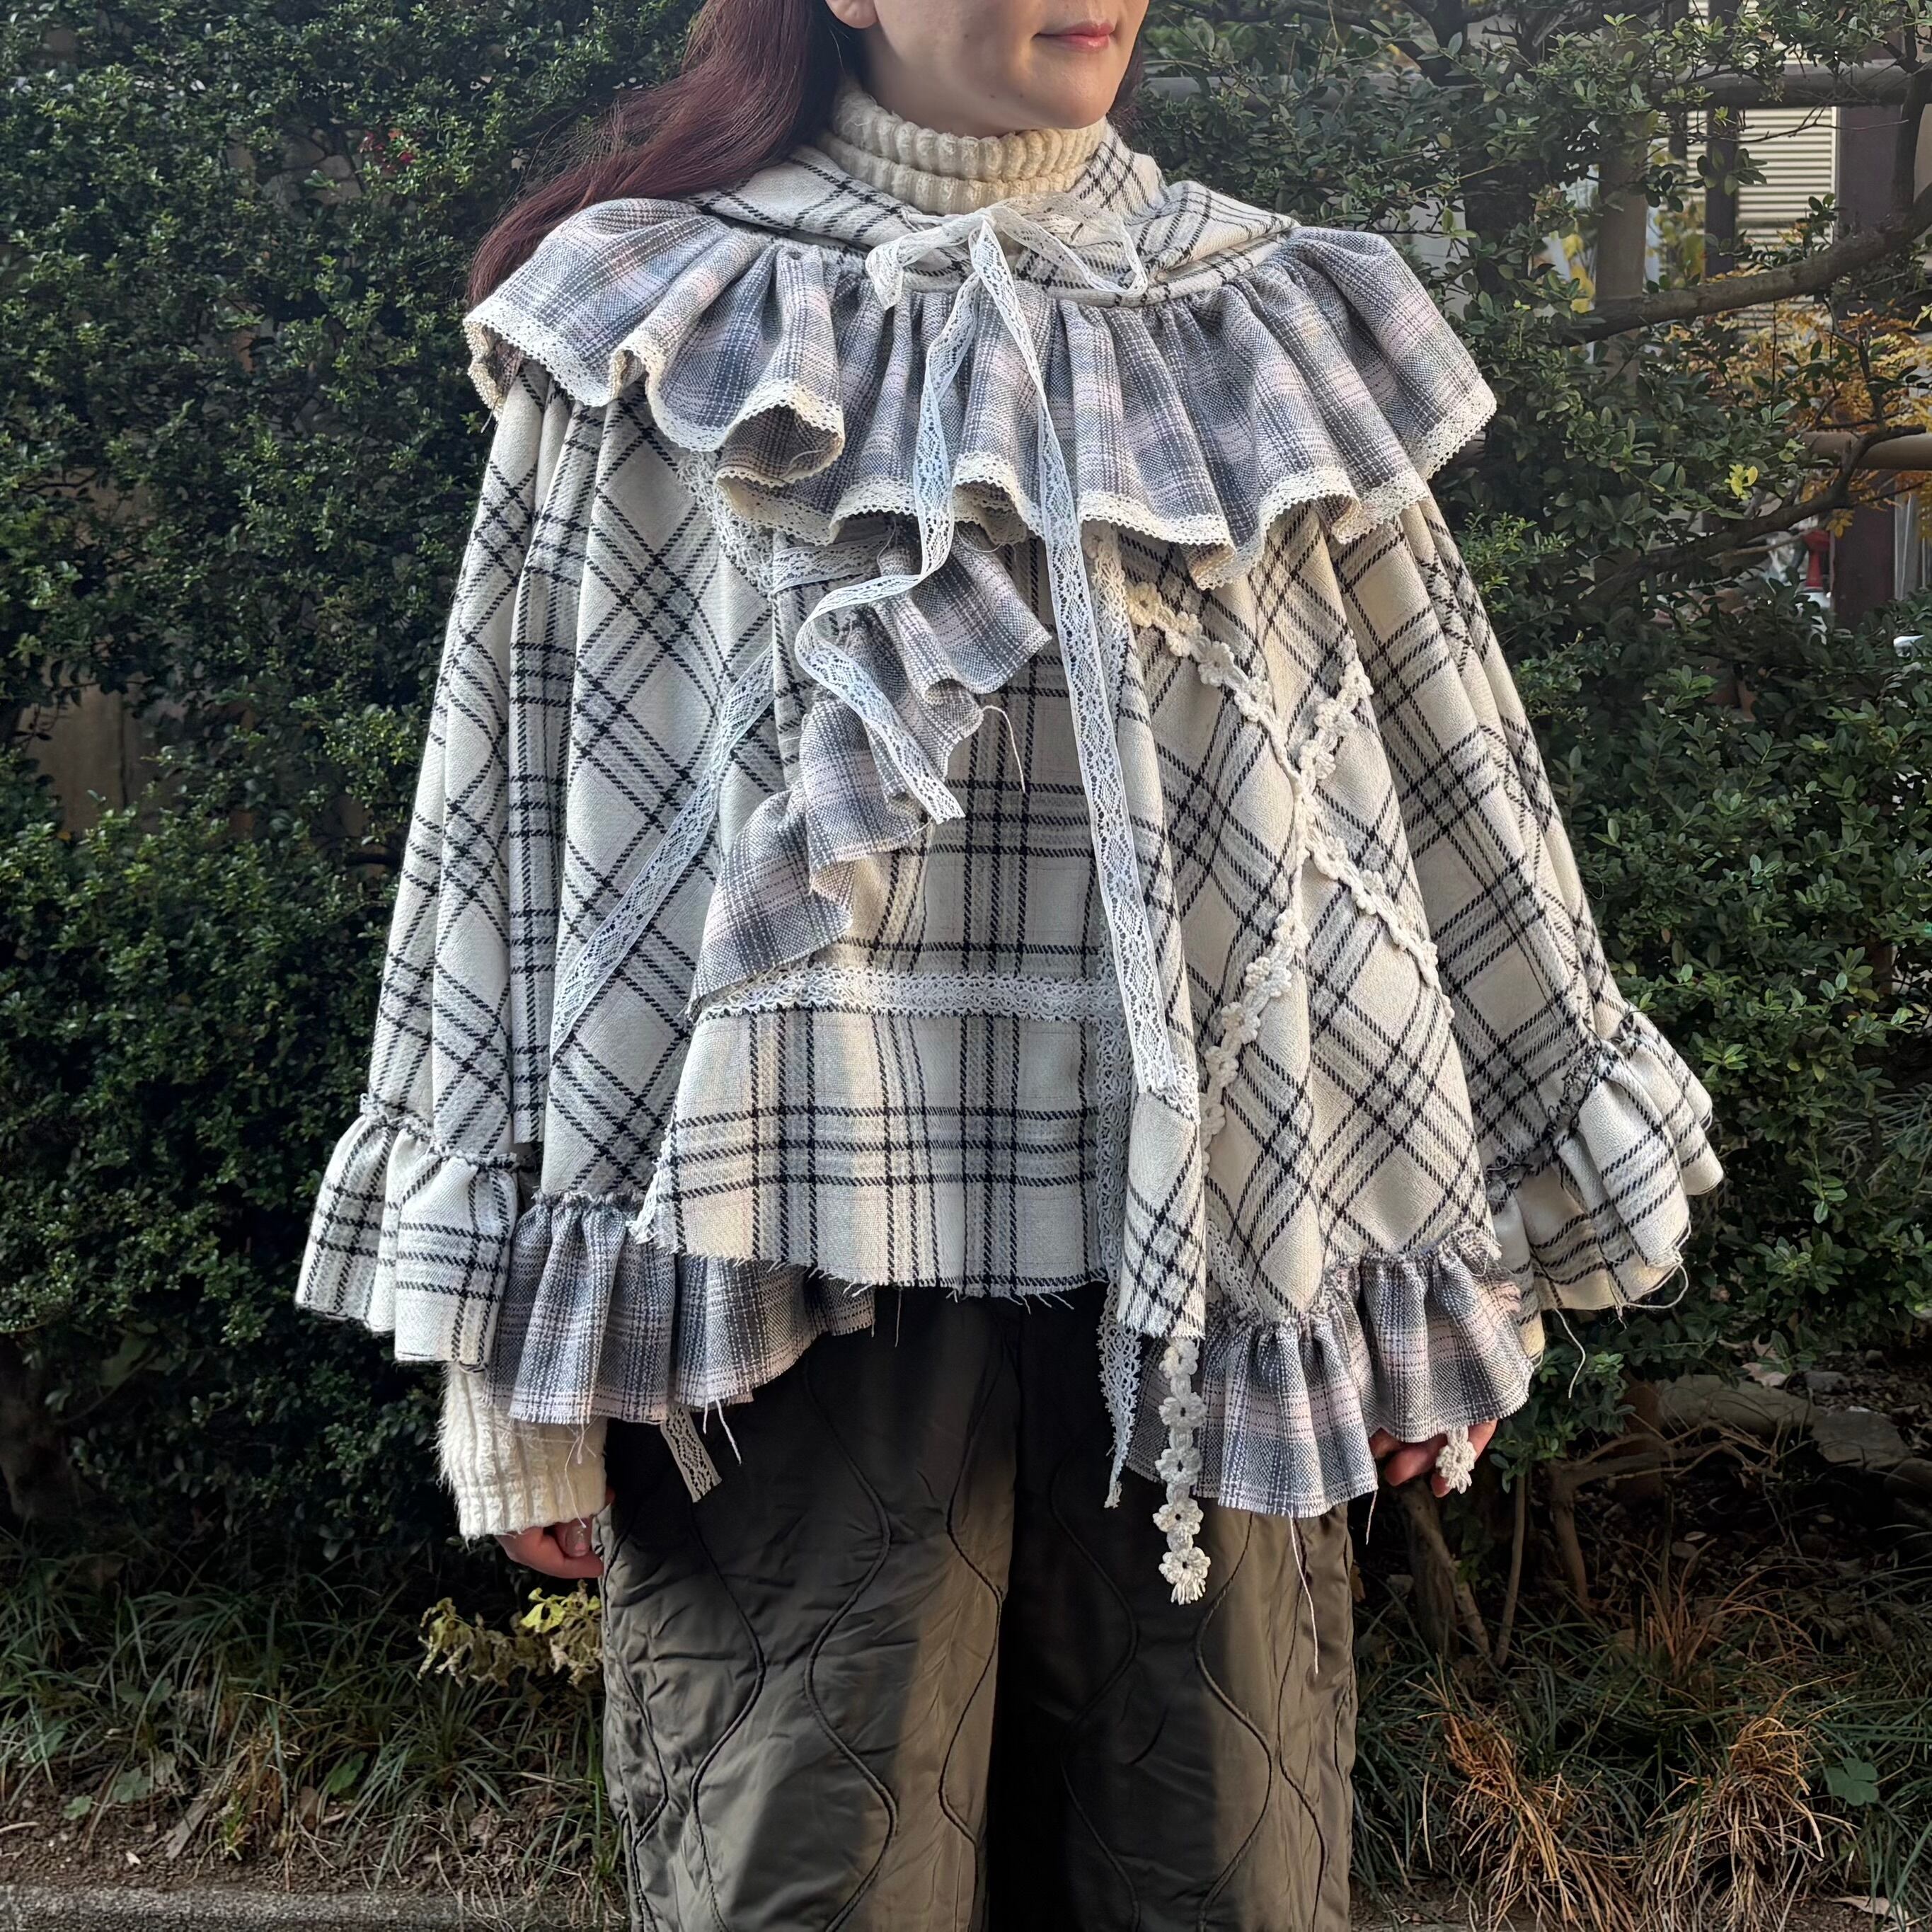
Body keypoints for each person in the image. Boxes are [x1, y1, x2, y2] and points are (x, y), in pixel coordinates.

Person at [294, 3, 1725, 1926]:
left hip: (1215, 1285)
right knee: (819, 1890)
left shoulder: (1258, 315)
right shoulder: (659, 314)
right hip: (777, 1298)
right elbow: (512, 826)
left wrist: (1453, 1289)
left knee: (1211, 1886)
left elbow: (1431, 784)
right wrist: (516, 1378)